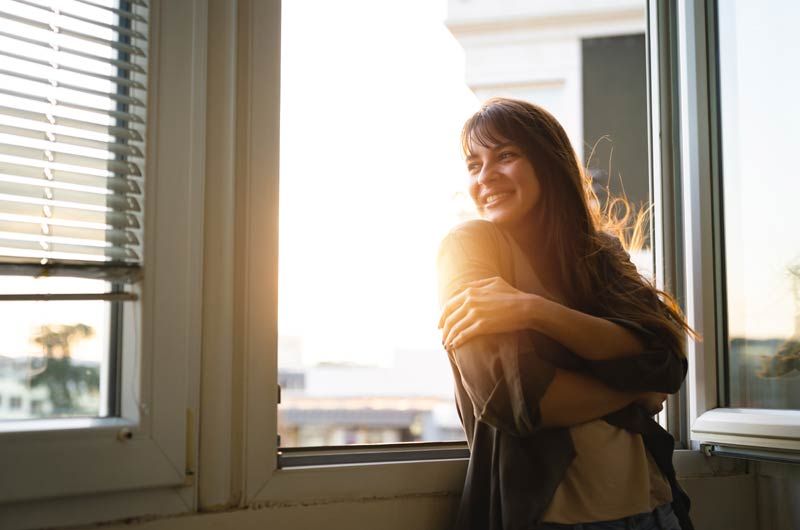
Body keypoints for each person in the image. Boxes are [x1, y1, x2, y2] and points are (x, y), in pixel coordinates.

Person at [436, 98, 696, 530]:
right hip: (552, 520)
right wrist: (633, 388)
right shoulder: (469, 247)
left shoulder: (602, 253)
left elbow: (667, 362)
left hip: (656, 511)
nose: (486, 176)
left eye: (506, 155)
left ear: (548, 161)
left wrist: (534, 311)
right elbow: (519, 403)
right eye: (474, 164)